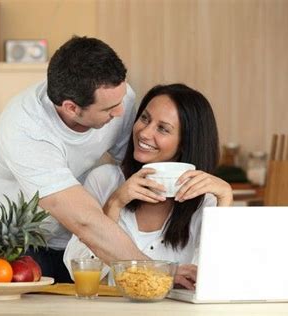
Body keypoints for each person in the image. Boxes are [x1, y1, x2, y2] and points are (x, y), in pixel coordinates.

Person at [0, 36, 153, 283]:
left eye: (121, 100)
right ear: (71, 108)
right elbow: (83, 220)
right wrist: (153, 271)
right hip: (18, 245)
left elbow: (134, 167)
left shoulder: (115, 97)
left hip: (80, 240)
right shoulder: (25, 129)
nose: (121, 112)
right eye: (108, 109)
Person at [64, 83, 233, 289]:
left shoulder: (205, 200)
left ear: (185, 143)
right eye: (145, 118)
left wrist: (225, 199)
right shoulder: (105, 180)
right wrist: (115, 203)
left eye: (162, 128)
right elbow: (78, 272)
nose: (144, 133)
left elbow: (214, 280)